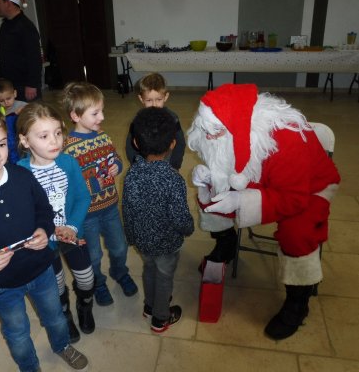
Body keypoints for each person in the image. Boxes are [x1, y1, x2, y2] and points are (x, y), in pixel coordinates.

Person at [186, 83, 341, 340]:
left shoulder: (287, 139)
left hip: (309, 187)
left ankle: (298, 301)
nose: (208, 137)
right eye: (205, 129)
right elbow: (229, 162)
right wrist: (211, 179)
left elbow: (294, 199)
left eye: (214, 131)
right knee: (215, 193)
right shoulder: (218, 129)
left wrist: (240, 200)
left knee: (297, 232)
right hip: (263, 175)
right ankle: (226, 244)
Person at [0, 102, 88, 372]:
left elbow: (43, 211)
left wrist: (43, 231)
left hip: (41, 269)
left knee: (55, 317)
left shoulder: (23, 176)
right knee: (17, 333)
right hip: (2, 284)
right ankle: (29, 367)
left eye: (1, 144)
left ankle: (62, 345)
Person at [17, 102, 94, 343]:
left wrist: (72, 226)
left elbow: (83, 197)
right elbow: (22, 212)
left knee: (86, 277)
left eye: (58, 133)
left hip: (72, 233)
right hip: (45, 243)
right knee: (56, 285)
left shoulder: (69, 163)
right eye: (44, 136)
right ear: (25, 141)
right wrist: (39, 233)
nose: (55, 141)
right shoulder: (19, 173)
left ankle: (85, 305)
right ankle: (66, 314)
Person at [62, 81, 138, 306]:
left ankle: (120, 272)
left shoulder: (103, 137)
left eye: (101, 111)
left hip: (111, 206)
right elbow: (69, 185)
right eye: (95, 113)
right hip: (87, 214)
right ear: (75, 115)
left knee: (119, 246)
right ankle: (98, 281)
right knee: (93, 255)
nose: (102, 117)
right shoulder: (68, 148)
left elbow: (114, 157)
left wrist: (117, 165)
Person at [122, 107, 194, 333]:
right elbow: (180, 217)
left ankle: (149, 305)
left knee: (149, 269)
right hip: (166, 244)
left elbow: (128, 210)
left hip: (143, 241)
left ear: (135, 142)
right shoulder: (174, 180)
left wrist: (132, 237)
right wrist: (188, 229)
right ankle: (160, 318)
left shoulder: (132, 174)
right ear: (172, 143)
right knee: (164, 278)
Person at [126, 73, 185, 170]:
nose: (154, 105)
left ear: (166, 97)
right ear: (141, 99)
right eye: (149, 100)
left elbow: (180, 143)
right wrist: (135, 165)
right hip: (143, 167)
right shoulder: (137, 120)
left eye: (158, 99)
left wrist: (175, 165)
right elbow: (130, 145)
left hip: (167, 166)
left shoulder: (173, 118)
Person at [0, 0, 42, 102]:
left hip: (25, 86)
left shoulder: (26, 27)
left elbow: (34, 58)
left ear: (8, 4)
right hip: (9, 85)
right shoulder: (5, 24)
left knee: (30, 118)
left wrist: (32, 84)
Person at [0, 78, 27, 164]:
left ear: (15, 93)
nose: (6, 102)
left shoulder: (22, 106)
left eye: (8, 98)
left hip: (21, 139)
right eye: (1, 101)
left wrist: (24, 111)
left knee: (23, 157)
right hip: (7, 142)